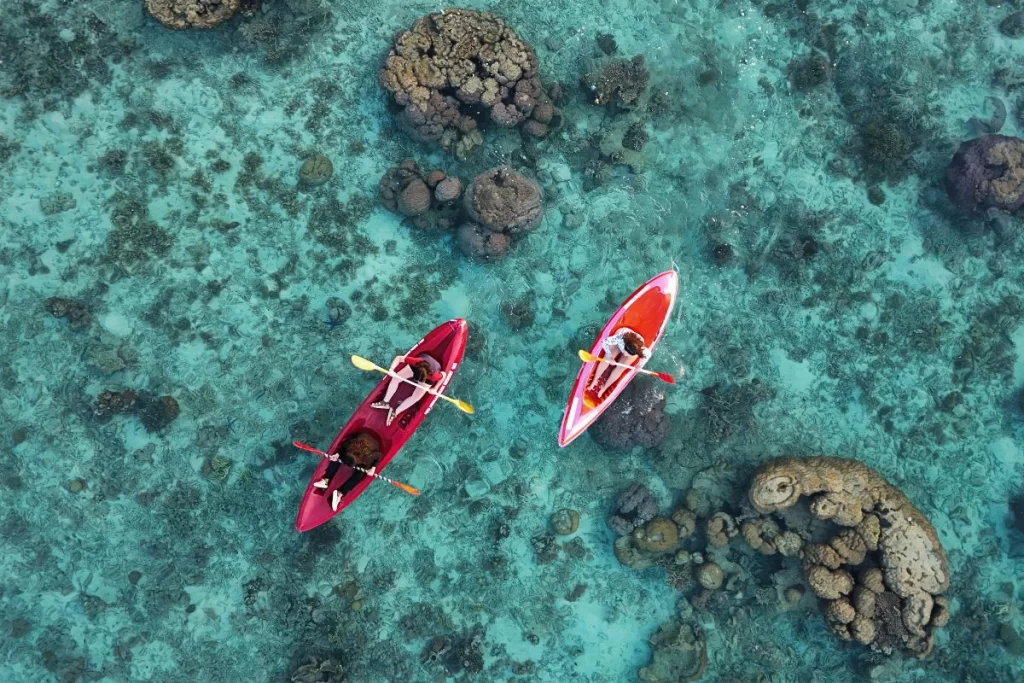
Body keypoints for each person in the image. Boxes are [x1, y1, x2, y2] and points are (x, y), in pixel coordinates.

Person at [312, 432, 382, 511]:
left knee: (358, 475)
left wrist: (373, 468)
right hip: (359, 442)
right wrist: (338, 454)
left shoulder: (368, 457)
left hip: (369, 451)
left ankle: (340, 493)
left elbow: (379, 455)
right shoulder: (349, 446)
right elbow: (343, 447)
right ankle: (326, 480)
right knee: (337, 459)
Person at [371, 353, 445, 426]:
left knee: (416, 397)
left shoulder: (434, 376)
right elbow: (399, 358)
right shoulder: (416, 361)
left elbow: (444, 375)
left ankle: (395, 412)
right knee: (395, 378)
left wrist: (435, 388)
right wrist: (391, 370)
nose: (417, 382)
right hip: (419, 366)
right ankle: (385, 402)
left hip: (428, 375)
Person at [587, 327, 651, 399]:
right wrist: (610, 356)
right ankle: (594, 380)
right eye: (625, 352)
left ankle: (604, 388)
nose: (625, 354)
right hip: (618, 344)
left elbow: (647, 355)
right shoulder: (619, 338)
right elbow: (604, 342)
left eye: (628, 354)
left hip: (630, 347)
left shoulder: (642, 350)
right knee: (606, 359)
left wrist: (639, 366)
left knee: (621, 368)